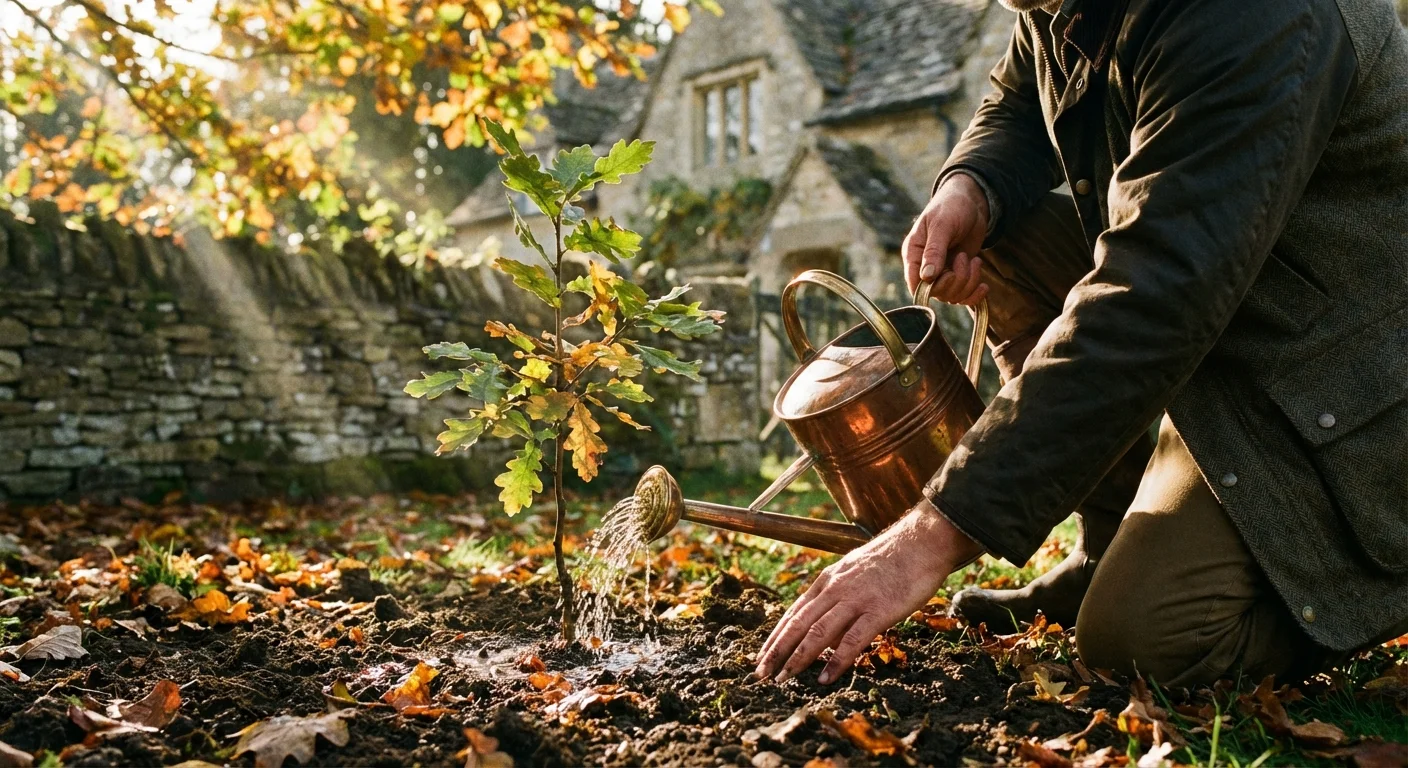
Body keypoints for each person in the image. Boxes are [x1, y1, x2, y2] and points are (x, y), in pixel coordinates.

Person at [754, 0, 1408, 689]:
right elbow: (1019, 101)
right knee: (1002, 230)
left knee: (1147, 644)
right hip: (1230, 312)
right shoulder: (1055, 2)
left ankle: (1369, 579)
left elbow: (1152, 296)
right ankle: (1107, 542)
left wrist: (934, 531)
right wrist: (971, 188)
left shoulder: (1252, 17)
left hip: (1343, 369)